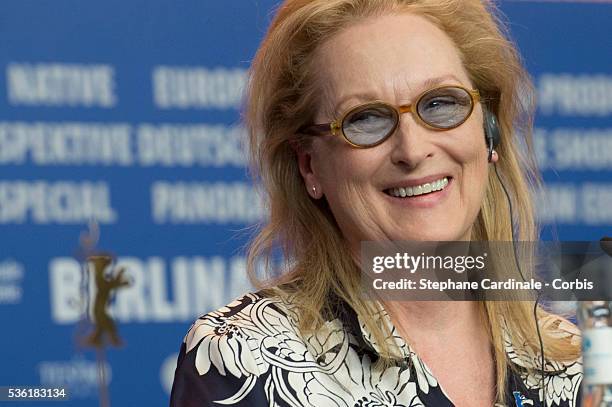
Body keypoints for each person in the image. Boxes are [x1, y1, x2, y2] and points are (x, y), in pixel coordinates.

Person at [170, 0, 582, 406]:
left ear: (487, 131)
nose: (413, 149)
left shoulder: (574, 366)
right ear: (309, 165)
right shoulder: (245, 359)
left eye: (440, 103)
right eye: (365, 118)